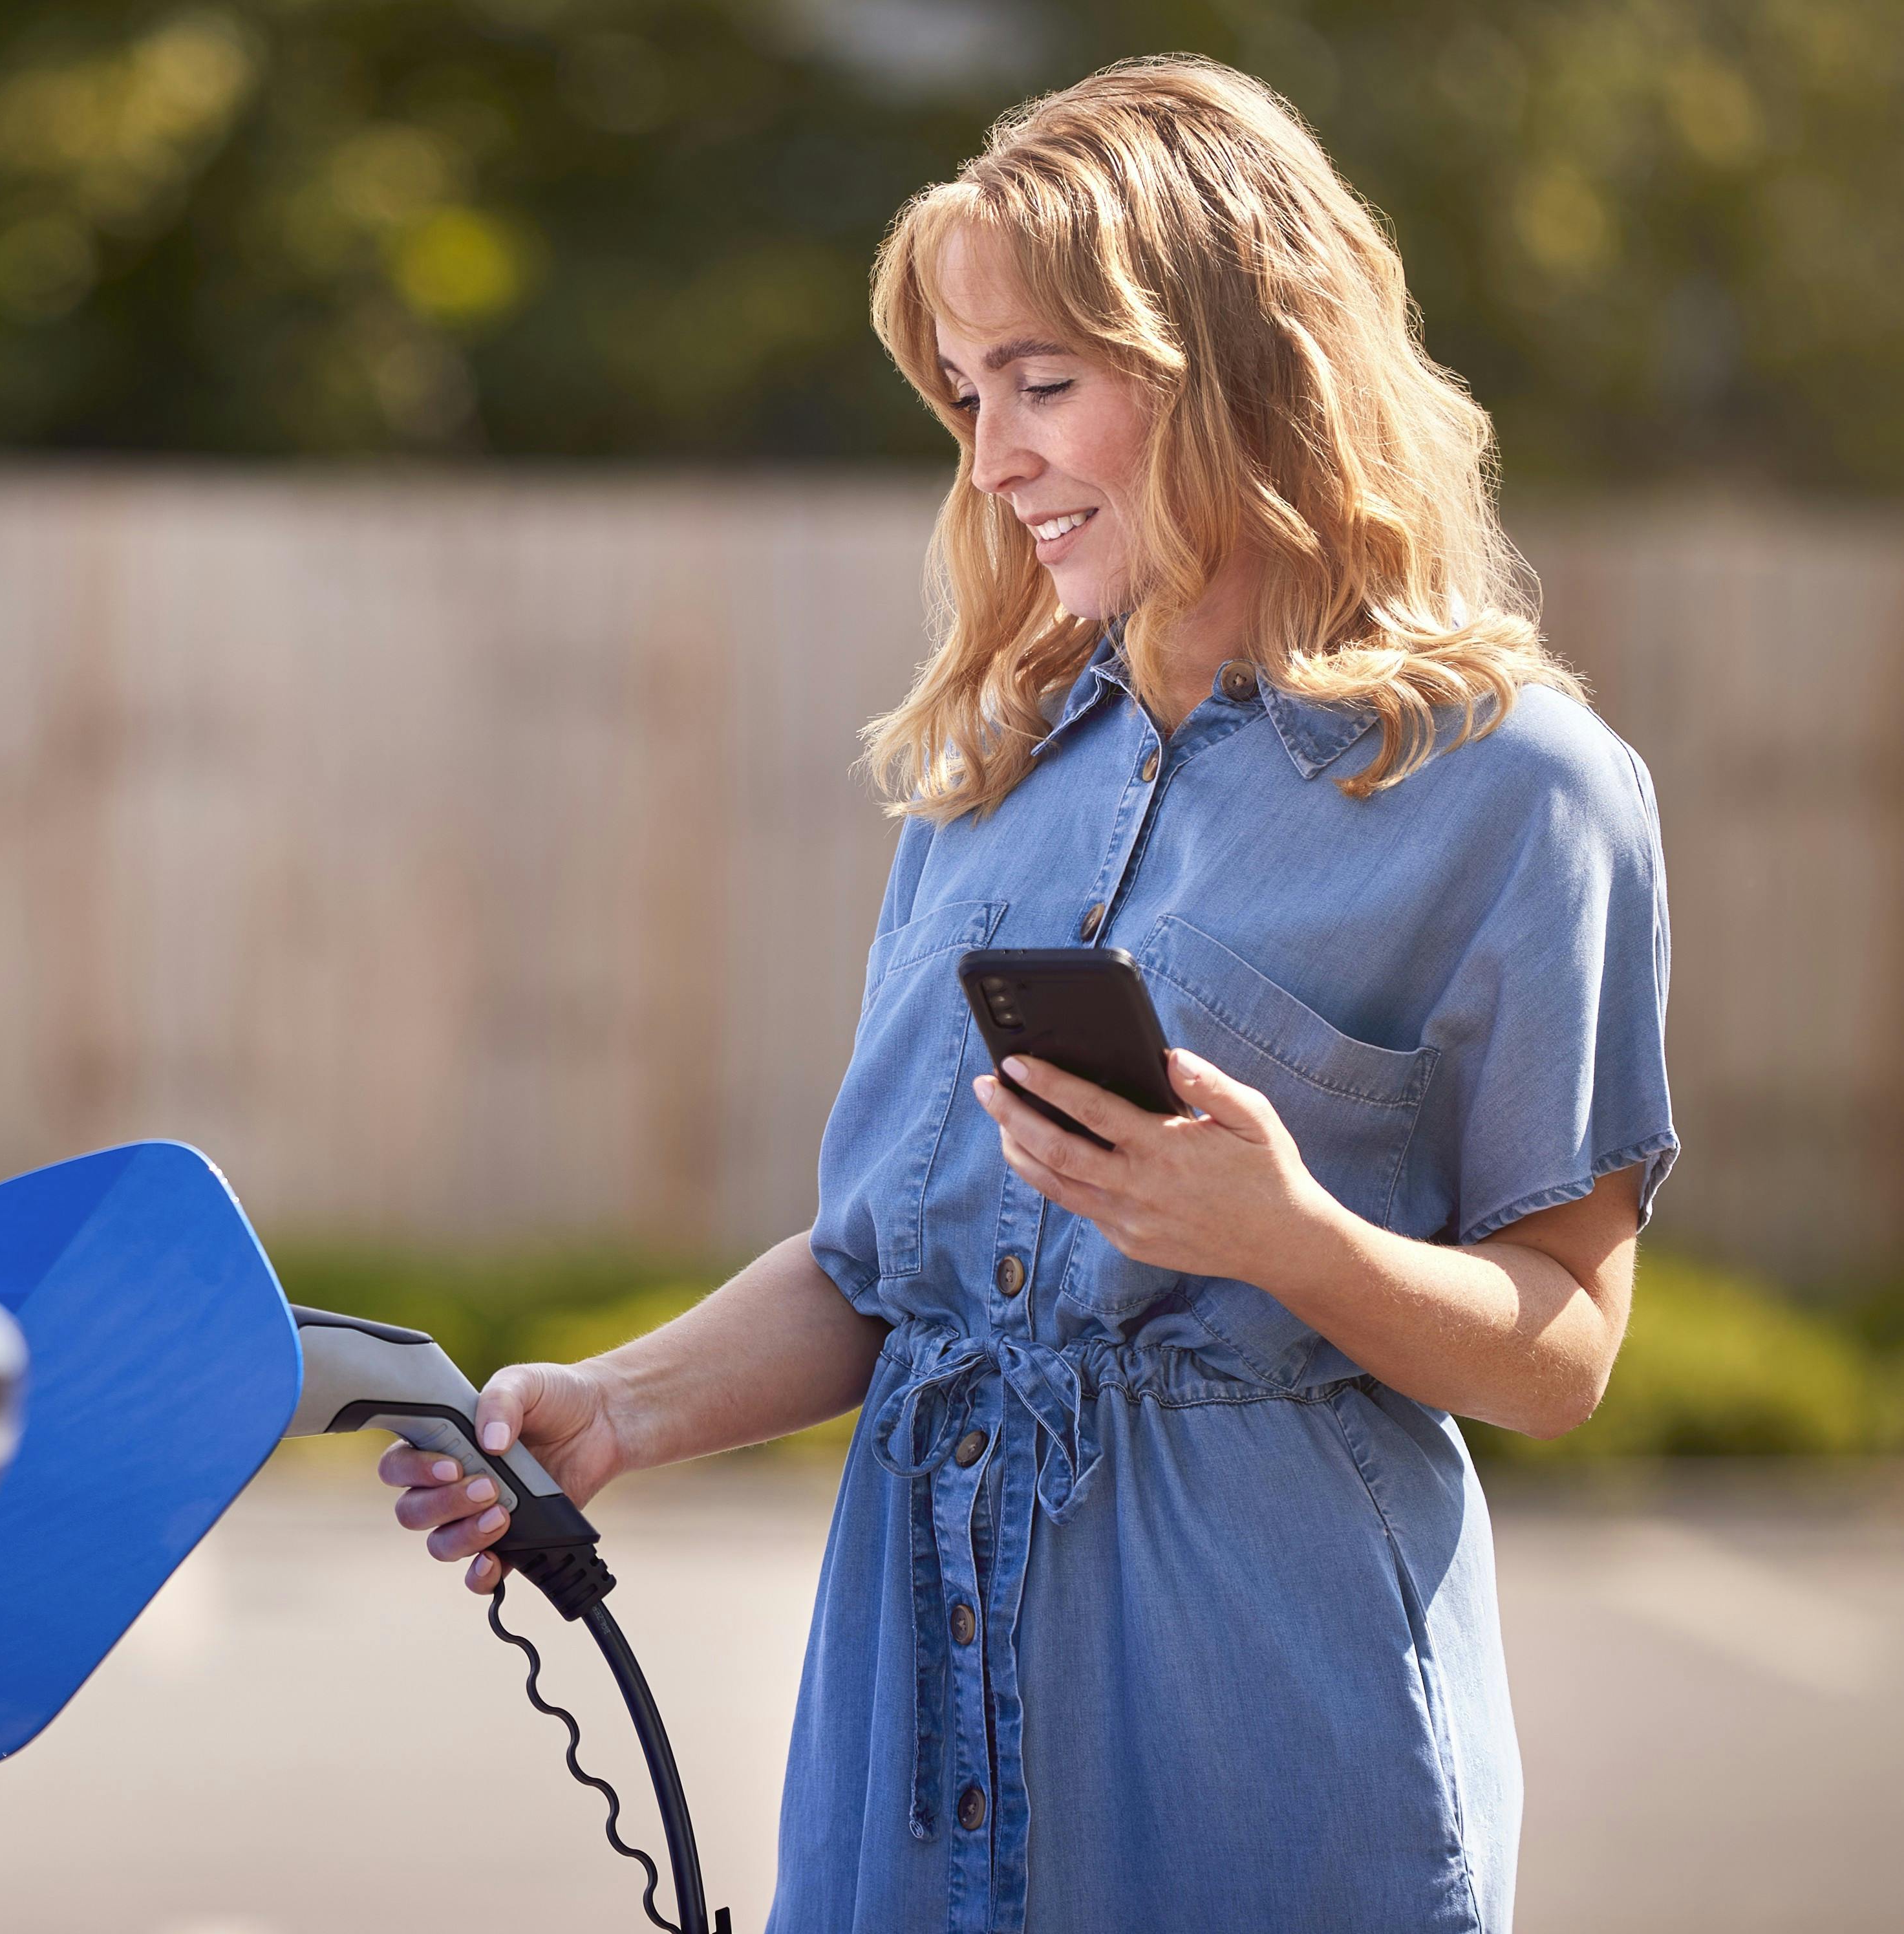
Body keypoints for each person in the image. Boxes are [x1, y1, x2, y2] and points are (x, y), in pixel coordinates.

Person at [377, 56, 1673, 1934]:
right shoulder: (989, 776)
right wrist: (618, 1410)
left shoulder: (1521, 788)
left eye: (1044, 384)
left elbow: (1563, 1348)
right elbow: (878, 1262)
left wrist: (1288, 1236)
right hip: (912, 1747)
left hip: (1263, 1755)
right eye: (970, 398)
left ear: (1243, 362)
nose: (994, 458)